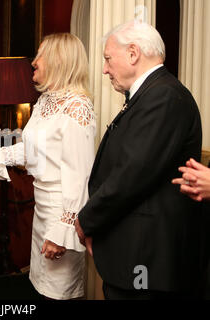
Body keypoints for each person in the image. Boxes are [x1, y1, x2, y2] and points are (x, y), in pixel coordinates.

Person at [75, 21, 203, 299]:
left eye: (108, 58)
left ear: (133, 53)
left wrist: (86, 220)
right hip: (137, 252)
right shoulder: (152, 94)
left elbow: (132, 174)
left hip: (148, 258)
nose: (104, 69)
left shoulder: (164, 96)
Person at [0, 33, 96, 300]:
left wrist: (63, 233)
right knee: (40, 290)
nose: (34, 62)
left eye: (40, 55)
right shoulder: (45, 102)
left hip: (62, 215)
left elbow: (79, 175)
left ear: (59, 61)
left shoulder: (78, 107)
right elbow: (29, 151)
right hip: (42, 212)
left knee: (58, 294)